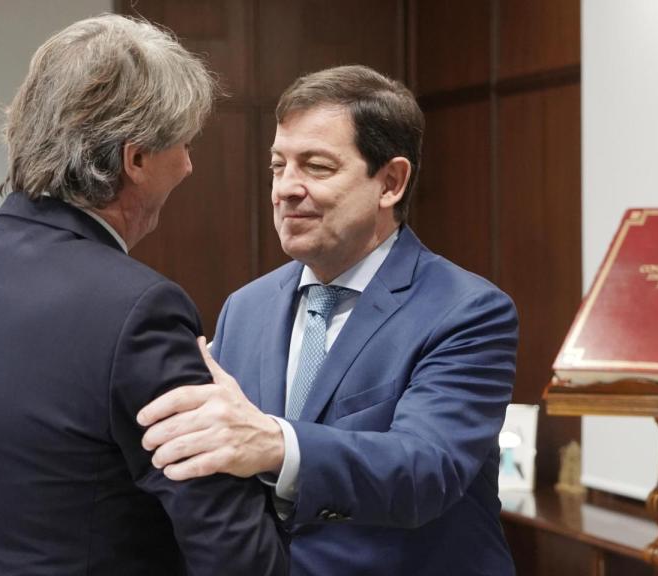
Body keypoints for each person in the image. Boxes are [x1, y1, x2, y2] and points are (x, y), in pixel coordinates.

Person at [0, 14, 287, 575]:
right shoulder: (140, 311)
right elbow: (234, 552)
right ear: (137, 159)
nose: (191, 164)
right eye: (185, 144)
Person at [138, 65, 519, 576]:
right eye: (278, 166)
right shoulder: (245, 308)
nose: (286, 189)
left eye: (316, 166)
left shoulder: (468, 311)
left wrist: (276, 443)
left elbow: (426, 471)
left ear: (390, 182)